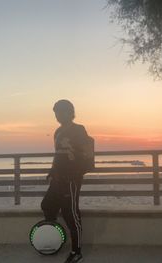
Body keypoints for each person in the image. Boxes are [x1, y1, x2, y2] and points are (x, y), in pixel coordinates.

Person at [41, 99, 90, 263]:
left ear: (70, 112)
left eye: (61, 112)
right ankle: (54, 237)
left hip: (71, 180)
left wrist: (76, 173)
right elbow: (58, 155)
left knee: (71, 214)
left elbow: (85, 155)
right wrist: (52, 170)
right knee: (47, 205)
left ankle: (77, 252)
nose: (58, 115)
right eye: (56, 112)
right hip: (58, 178)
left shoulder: (79, 130)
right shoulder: (58, 132)